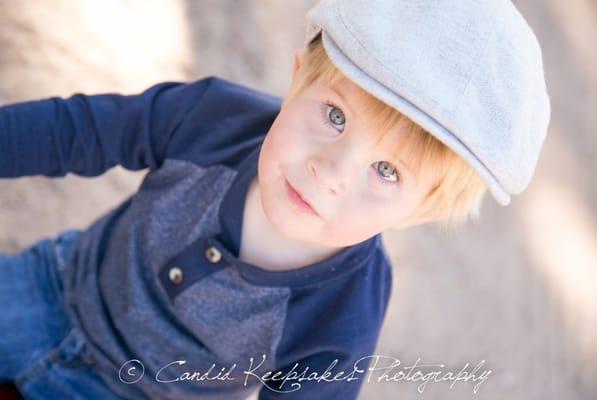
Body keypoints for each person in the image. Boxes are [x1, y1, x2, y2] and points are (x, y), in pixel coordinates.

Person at [0, 0, 550, 398]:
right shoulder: (215, 120)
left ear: (421, 211)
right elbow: (78, 131)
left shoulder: (346, 306)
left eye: (386, 171)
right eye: (334, 116)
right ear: (297, 82)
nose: (331, 172)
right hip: (61, 285)